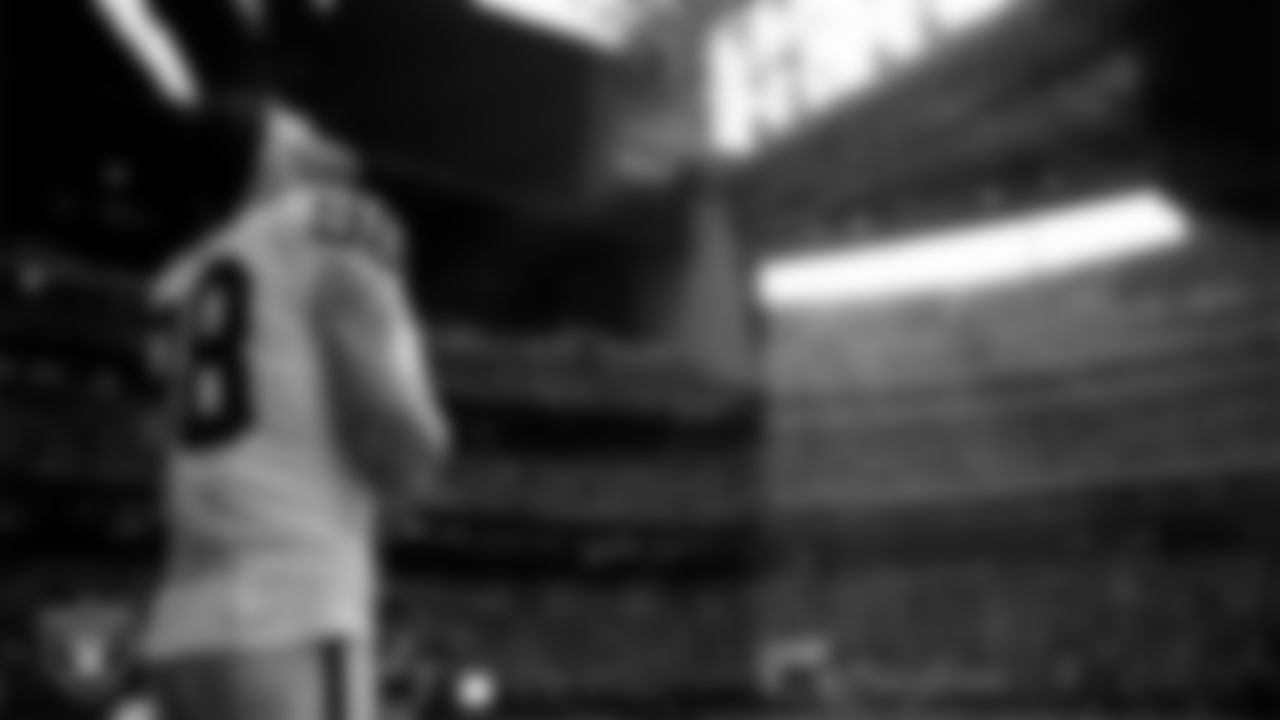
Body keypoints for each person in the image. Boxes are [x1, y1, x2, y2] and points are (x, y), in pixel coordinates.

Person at [140, 98, 451, 720]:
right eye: (298, 130)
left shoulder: (173, 284)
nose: (319, 138)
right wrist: (425, 455)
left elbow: (162, 438)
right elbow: (389, 427)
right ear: (267, 161)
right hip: (292, 615)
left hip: (181, 629)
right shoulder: (319, 224)